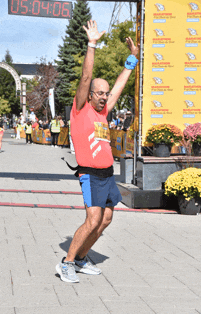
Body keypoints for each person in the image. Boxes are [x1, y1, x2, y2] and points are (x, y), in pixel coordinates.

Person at [56, 20, 139, 283]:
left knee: (105, 220)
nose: (104, 97)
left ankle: (81, 259)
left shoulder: (104, 110)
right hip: (90, 174)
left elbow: (119, 86)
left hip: (107, 174)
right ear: (89, 94)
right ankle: (67, 263)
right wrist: (92, 44)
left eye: (105, 94)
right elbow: (85, 76)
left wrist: (132, 59)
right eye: (99, 93)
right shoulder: (80, 108)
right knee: (93, 220)